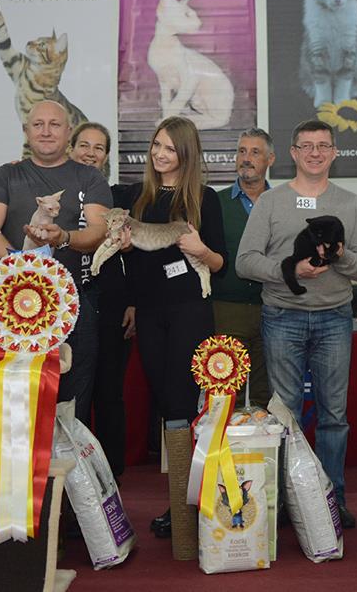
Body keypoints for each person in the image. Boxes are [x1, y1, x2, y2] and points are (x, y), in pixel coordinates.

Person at [237, 119, 357, 528]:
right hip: (282, 317)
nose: (315, 153)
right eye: (307, 146)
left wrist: (339, 256)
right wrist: (290, 271)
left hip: (334, 318)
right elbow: (246, 261)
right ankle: (283, 502)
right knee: (285, 415)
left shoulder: (351, 203)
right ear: (293, 153)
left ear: (334, 153)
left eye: (323, 146)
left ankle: (332, 501)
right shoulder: (270, 202)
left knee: (334, 416)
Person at [119, 116, 226, 538]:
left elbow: (220, 264)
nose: (160, 154)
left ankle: (190, 503)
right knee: (166, 402)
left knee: (183, 402)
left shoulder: (204, 199)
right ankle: (183, 499)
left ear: (186, 153)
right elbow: (135, 265)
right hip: (149, 313)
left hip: (189, 311)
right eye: (156, 145)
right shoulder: (138, 197)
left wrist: (201, 249)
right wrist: (125, 250)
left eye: (170, 148)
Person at [0, 100, 113, 425]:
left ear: (68, 132)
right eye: (38, 124)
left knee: (73, 409)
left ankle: (69, 460)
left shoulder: (89, 178)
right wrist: (27, 271)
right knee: (17, 408)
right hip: (14, 306)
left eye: (55, 124)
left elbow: (98, 232)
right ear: (26, 131)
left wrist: (63, 237)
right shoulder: (6, 175)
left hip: (74, 305)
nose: (46, 131)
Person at [68, 121, 135, 477]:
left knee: (108, 390)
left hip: (110, 305)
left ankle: (108, 474)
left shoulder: (120, 199)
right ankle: (72, 468)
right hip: (62, 306)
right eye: (84, 145)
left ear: (107, 157)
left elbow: (138, 258)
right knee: (71, 392)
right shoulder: (53, 197)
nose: (90, 153)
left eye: (98, 148)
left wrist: (134, 303)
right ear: (70, 149)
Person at [212, 128, 274, 408]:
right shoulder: (215, 202)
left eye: (255, 152)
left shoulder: (282, 201)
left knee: (267, 395)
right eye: (241, 151)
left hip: (273, 309)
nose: (246, 158)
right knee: (226, 392)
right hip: (226, 309)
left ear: (270, 159)